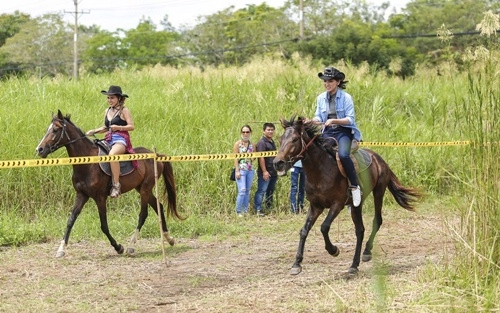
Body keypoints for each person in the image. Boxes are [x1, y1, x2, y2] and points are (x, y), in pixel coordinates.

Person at [312, 67, 363, 207]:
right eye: (325, 81)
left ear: (338, 81)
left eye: (330, 81)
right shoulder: (320, 98)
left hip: (343, 132)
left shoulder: (346, 98)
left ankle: (354, 186)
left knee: (343, 155)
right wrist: (311, 121)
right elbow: (318, 116)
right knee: (316, 154)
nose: (326, 84)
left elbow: (350, 120)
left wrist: (334, 121)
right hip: (327, 132)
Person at [86, 85, 135, 198]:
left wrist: (119, 127)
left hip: (121, 139)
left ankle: (116, 185)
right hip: (108, 138)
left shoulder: (124, 110)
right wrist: (94, 131)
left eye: (112, 98)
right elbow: (105, 127)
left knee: (112, 155)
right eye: (108, 98)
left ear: (119, 98)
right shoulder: (107, 111)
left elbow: (131, 126)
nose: (109, 100)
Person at [253, 122, 278, 216]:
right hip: (265, 172)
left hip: (273, 171)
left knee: (270, 191)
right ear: (264, 131)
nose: (270, 131)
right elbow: (261, 157)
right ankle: (258, 209)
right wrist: (264, 171)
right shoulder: (262, 142)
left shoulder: (271, 141)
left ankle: (268, 208)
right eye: (268, 130)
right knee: (261, 191)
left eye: (272, 130)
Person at [233, 125, 255, 217]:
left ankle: (245, 210)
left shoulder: (252, 144)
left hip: (250, 169)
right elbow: (235, 158)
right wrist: (237, 171)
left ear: (250, 133)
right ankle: (238, 211)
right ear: (241, 133)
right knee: (242, 190)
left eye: (247, 132)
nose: (245, 134)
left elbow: (254, 157)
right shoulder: (237, 144)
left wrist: (252, 157)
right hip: (241, 169)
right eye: (243, 132)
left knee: (247, 191)